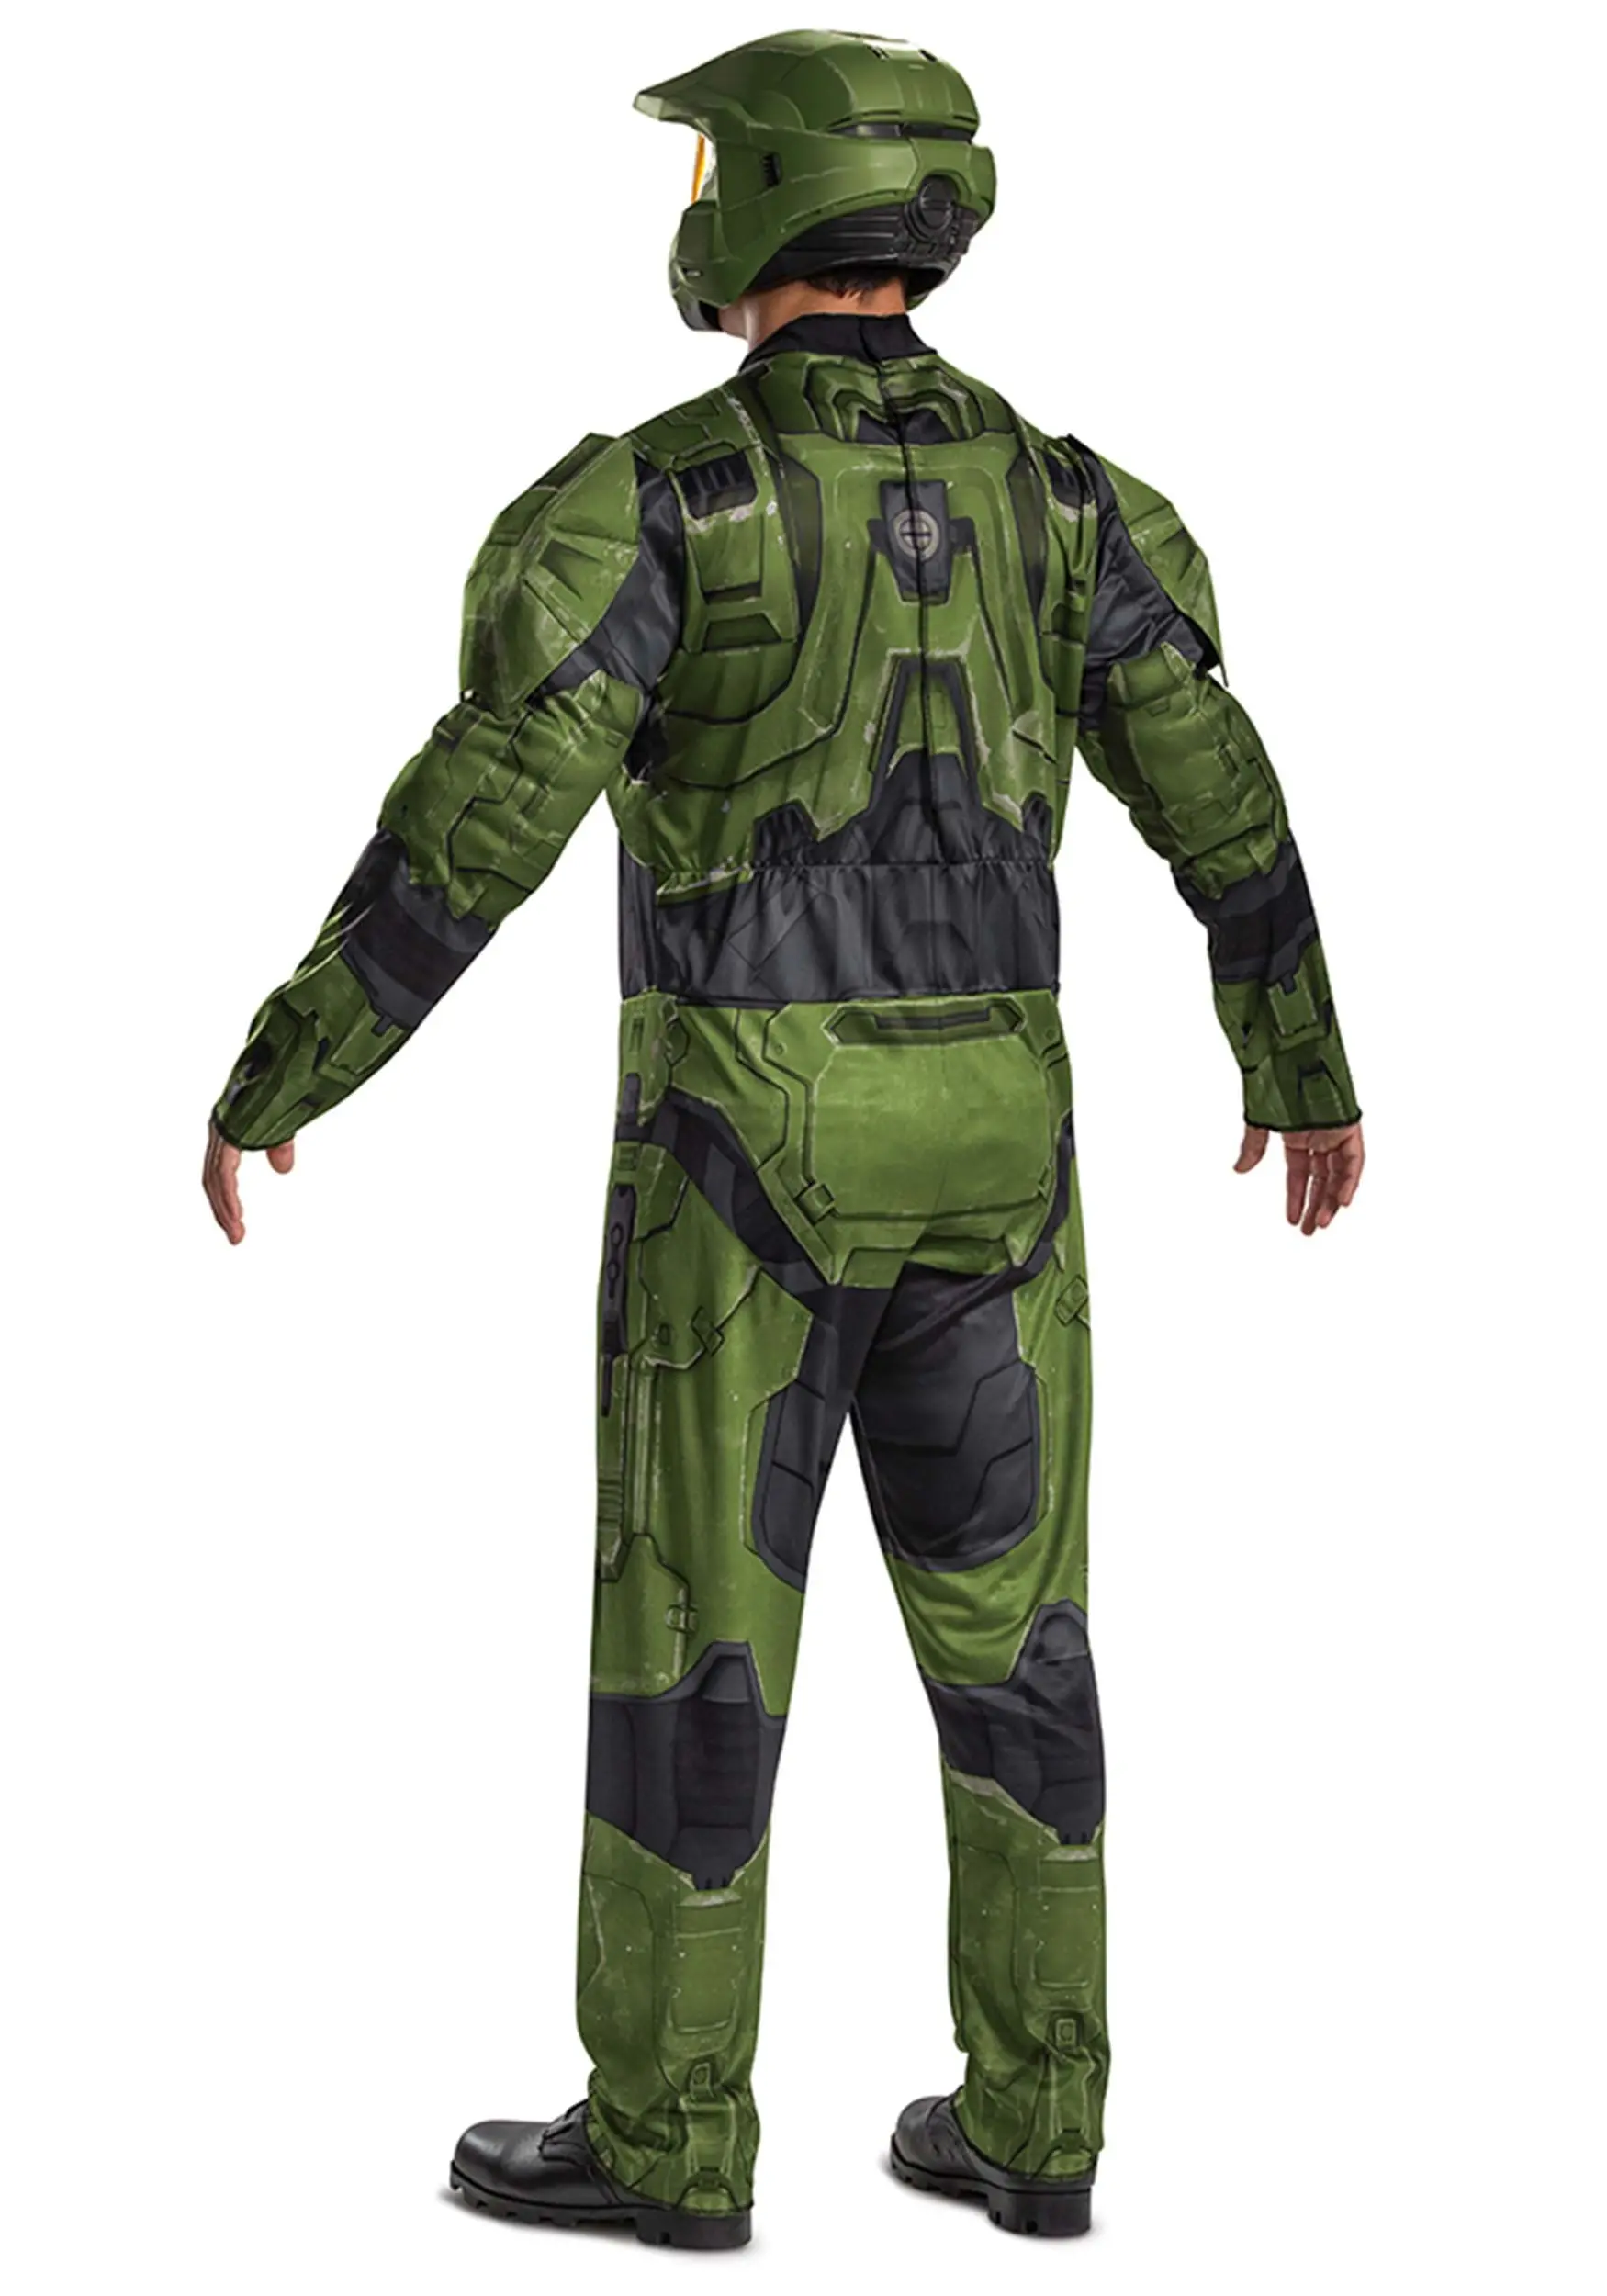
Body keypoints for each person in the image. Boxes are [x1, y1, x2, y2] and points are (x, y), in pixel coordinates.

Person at [204, 28, 1364, 2249]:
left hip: (744, 1148)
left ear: (763, 198)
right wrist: (1296, 1061)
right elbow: (1217, 787)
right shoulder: (1070, 498)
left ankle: (666, 2136)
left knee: (693, 1629)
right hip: (1005, 1139)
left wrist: (291, 1065)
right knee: (1017, 1636)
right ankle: (1036, 2118)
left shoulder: (654, 499)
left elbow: (482, 813)